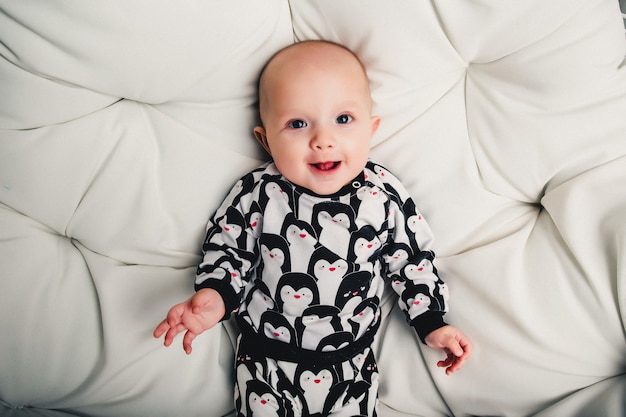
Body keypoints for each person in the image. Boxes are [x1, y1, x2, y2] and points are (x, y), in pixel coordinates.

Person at [154, 40, 472, 417]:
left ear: (371, 130)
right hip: (266, 363)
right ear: (266, 140)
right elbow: (228, 248)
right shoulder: (260, 192)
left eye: (343, 119)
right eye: (298, 123)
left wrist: (431, 322)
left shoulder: (381, 195)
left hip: (351, 366)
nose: (323, 140)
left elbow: (411, 260)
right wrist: (215, 295)